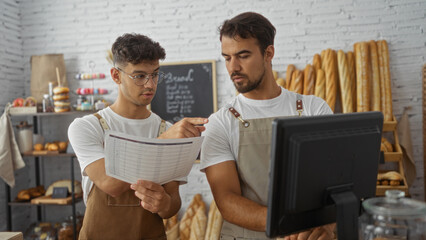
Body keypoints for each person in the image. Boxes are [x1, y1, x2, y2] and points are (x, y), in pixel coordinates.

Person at [200, 12, 335, 240]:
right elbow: (227, 201)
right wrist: (289, 223)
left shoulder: (314, 109)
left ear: (268, 53)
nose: (233, 67)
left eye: (243, 55)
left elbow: (335, 183)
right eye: (227, 57)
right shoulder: (220, 122)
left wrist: (328, 225)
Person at [68, 33, 207, 240]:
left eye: (155, 74)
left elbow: (173, 203)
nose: (150, 85)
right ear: (116, 76)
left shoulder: (165, 129)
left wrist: (164, 204)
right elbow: (110, 184)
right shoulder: (88, 127)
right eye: (140, 76)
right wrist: (164, 142)